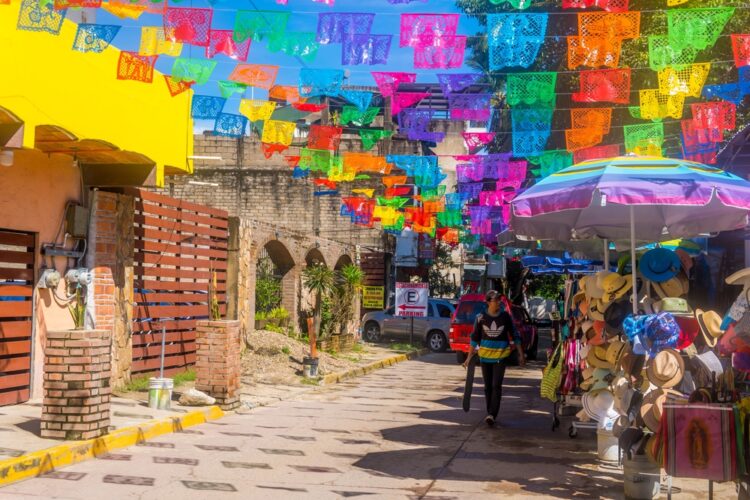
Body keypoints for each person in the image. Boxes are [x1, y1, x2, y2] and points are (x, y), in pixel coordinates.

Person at [465, 290, 525, 427]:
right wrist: (468, 358)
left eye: (499, 300)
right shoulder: (480, 318)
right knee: (487, 387)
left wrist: (521, 354)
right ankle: (489, 413)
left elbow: (515, 335)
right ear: (488, 302)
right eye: (496, 300)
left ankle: (492, 413)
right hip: (485, 358)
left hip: (500, 357)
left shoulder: (505, 317)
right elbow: (474, 339)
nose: (499, 302)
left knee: (496, 386)